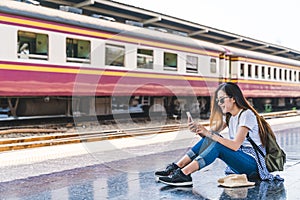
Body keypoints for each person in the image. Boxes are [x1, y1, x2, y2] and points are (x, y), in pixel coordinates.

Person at [155, 82, 283, 186]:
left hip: (254, 165)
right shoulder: (230, 117)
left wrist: (209, 134)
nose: (219, 103)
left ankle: (184, 174)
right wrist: (199, 131)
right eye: (218, 101)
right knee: (213, 139)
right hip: (241, 159)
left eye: (222, 100)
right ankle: (177, 167)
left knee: (217, 142)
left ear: (233, 99)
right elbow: (209, 140)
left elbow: (235, 146)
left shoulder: (247, 114)